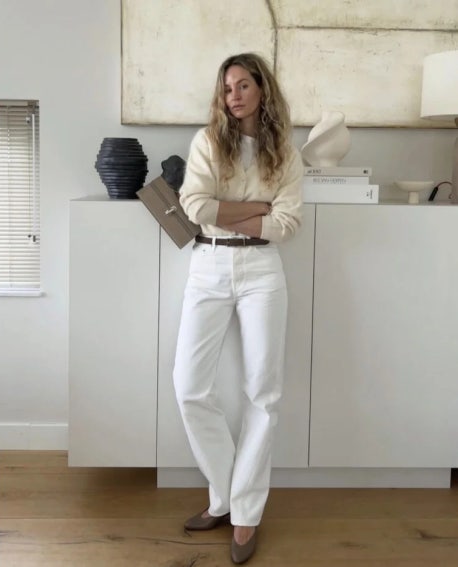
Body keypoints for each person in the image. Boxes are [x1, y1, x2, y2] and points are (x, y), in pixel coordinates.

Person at [173, 52, 303, 564]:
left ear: (261, 88)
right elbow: (195, 207)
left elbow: (286, 225)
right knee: (189, 386)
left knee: (263, 393)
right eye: (227, 88)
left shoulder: (285, 152)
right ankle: (224, 493)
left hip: (262, 271)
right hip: (208, 266)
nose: (234, 96)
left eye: (244, 85)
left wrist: (229, 213)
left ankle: (245, 512)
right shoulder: (207, 142)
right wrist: (256, 208)